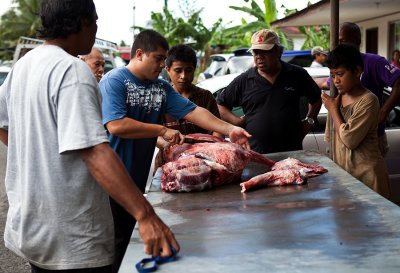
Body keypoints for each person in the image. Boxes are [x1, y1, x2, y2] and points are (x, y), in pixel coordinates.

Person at [0, 1, 180, 272]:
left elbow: (3, 124)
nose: (96, 29)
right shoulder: (72, 70)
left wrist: (38, 158)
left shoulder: (23, 66)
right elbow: (95, 151)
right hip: (73, 235)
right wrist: (145, 214)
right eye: (95, 21)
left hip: (32, 228)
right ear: (82, 22)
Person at [99, 29, 251, 273]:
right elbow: (117, 125)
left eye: (163, 59)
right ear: (139, 54)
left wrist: (229, 128)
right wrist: (160, 130)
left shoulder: (160, 87)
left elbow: (194, 111)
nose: (162, 65)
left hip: (139, 180)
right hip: (112, 180)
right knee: (115, 245)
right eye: (158, 59)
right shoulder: (115, 81)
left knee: (134, 240)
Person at [216, 29, 322, 154]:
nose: (259, 56)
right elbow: (220, 105)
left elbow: (316, 99)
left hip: (292, 153)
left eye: (264, 51)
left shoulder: (297, 74)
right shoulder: (244, 80)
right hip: (256, 154)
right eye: (255, 52)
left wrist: (309, 121)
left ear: (278, 52)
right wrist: (236, 122)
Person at [321, 44, 391, 200]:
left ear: (358, 71)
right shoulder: (337, 100)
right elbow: (330, 139)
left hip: (368, 177)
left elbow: (349, 140)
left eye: (340, 74)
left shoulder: (368, 100)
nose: (336, 80)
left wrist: (333, 110)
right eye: (332, 75)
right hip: (347, 177)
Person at [321, 22, 400, 157]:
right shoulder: (339, 69)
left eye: (344, 40)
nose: (336, 80)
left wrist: (383, 111)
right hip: (344, 135)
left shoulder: (374, 62)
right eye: (334, 75)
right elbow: (326, 83)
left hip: (370, 136)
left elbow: (399, 81)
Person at [154, 44, 224, 170]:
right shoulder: (158, 98)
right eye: (178, 70)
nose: (184, 76)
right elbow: (152, 133)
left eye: (188, 70)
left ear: (194, 69)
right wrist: (168, 147)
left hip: (204, 162)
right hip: (168, 163)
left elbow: (218, 130)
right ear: (167, 69)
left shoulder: (205, 96)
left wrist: (211, 152)